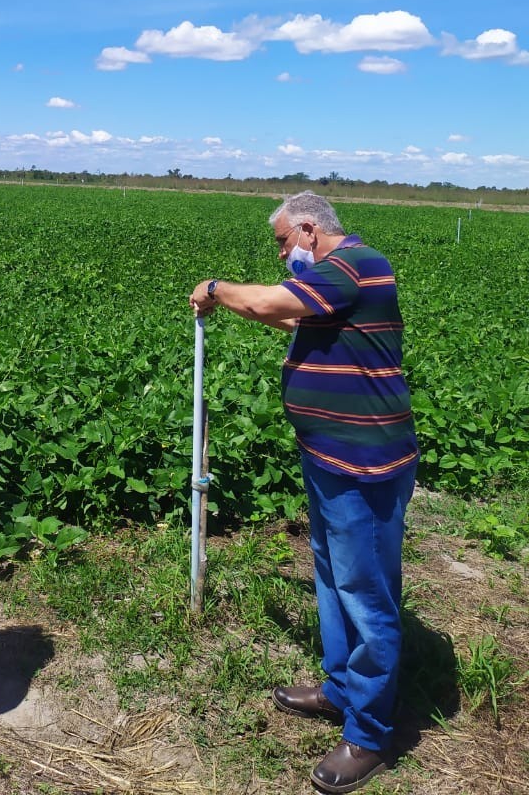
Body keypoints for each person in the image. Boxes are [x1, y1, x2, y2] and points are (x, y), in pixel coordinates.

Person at [189, 192, 418, 795]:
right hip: (328, 455)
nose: (283, 255)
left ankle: (368, 733)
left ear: (309, 231)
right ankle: (340, 688)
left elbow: (270, 299)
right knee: (331, 574)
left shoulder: (356, 264)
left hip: (363, 464)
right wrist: (236, 305)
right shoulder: (335, 282)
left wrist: (215, 287)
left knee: (366, 593)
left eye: (283, 244)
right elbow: (283, 315)